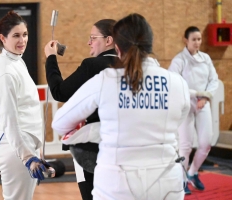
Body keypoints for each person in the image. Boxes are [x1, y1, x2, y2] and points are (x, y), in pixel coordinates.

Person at [52, 13, 190, 200]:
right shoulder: (177, 82)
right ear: (150, 44)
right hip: (167, 183)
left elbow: (60, 123)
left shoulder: (106, 80)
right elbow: (179, 121)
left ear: (117, 46)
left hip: (117, 184)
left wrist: (100, 130)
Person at [44, 19, 116, 200]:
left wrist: (51, 58)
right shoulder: (131, 65)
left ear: (109, 40)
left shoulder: (92, 65)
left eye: (93, 38)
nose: (88, 42)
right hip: (125, 143)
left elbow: (59, 92)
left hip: (92, 145)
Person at [0, 11, 48, 200]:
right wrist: (27, 157)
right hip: (14, 150)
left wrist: (35, 150)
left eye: (25, 34)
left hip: (22, 147)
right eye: (16, 35)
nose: (22, 40)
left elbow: (25, 110)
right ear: (2, 38)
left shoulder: (16, 61)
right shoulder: (5, 72)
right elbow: (10, 121)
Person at [168, 26, 219, 195]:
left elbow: (214, 80)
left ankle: (192, 172)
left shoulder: (206, 58)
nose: (197, 43)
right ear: (186, 40)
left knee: (206, 143)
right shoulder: (179, 60)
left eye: (199, 39)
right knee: (185, 146)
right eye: (194, 39)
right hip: (185, 105)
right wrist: (196, 94)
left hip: (203, 104)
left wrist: (205, 97)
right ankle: (181, 180)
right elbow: (173, 82)